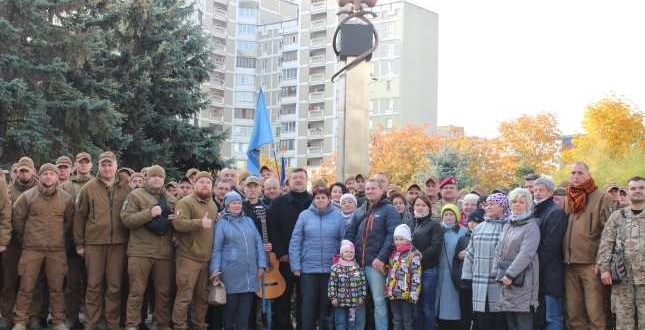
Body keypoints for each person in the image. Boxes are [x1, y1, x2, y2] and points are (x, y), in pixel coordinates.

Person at [10, 164, 74, 330]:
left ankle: (58, 321)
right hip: (32, 249)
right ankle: (20, 321)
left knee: (57, 287)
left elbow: (69, 222)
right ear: (39, 175)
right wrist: (27, 236)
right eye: (45, 173)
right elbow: (18, 218)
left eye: (51, 173)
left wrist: (59, 237)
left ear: (57, 177)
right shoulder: (27, 196)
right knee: (26, 286)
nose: (48, 176)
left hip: (56, 250)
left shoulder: (66, 198)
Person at [73, 151, 132, 330]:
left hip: (119, 244)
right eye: (104, 165)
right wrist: (79, 244)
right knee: (93, 286)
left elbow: (131, 217)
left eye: (110, 164)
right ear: (99, 166)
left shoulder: (127, 189)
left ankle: (112, 323)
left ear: (116, 165)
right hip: (94, 244)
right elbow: (79, 218)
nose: (107, 168)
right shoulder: (88, 188)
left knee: (114, 286)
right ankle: (91, 323)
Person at [120, 165, 176, 330]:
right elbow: (127, 220)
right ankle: (132, 324)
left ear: (163, 180)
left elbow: (178, 226)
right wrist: (149, 213)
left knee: (163, 293)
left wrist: (175, 221)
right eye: (153, 176)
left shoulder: (172, 199)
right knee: (136, 291)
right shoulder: (135, 195)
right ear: (147, 178)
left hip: (164, 253)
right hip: (140, 252)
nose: (156, 179)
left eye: (160, 176)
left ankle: (162, 324)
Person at [562, 162, 613, 330]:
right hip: (570, 264)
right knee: (573, 314)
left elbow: (610, 233)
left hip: (592, 264)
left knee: (595, 313)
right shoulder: (569, 197)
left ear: (589, 175)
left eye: (580, 173)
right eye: (573, 173)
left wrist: (603, 263)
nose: (575, 176)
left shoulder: (602, 197)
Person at [345, 179, 400, 330]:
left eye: (373, 188)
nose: (369, 191)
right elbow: (350, 233)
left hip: (376, 264)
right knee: (359, 301)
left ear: (382, 191)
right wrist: (347, 255)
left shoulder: (389, 210)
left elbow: (392, 236)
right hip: (358, 264)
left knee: (379, 301)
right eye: (367, 189)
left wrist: (381, 258)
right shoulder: (360, 211)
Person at [289, 187, 346, 330]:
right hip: (308, 269)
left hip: (330, 268)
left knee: (325, 305)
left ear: (329, 199)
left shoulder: (338, 216)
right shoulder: (304, 215)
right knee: (308, 305)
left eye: (323, 197)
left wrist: (342, 263)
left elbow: (343, 240)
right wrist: (295, 265)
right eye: (317, 198)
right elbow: (296, 240)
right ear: (313, 199)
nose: (320, 200)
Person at [210, 191, 266, 330]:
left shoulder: (249, 221)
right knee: (229, 313)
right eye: (233, 203)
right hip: (230, 274)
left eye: (239, 202)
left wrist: (261, 265)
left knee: (244, 315)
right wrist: (215, 270)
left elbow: (259, 243)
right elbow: (216, 249)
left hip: (249, 274)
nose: (236, 205)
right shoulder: (222, 223)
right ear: (227, 206)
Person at [171, 171, 218, 330]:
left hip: (206, 258)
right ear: (195, 185)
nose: (205, 185)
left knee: (202, 297)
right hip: (188, 258)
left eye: (208, 183)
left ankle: (198, 325)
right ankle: (179, 326)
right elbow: (178, 224)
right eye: (202, 182)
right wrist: (199, 223)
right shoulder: (185, 202)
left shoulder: (212, 204)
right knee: (184, 296)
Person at [597, 176, 645, 330]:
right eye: (633, 188)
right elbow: (606, 243)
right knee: (623, 321)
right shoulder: (617, 216)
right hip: (622, 277)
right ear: (628, 192)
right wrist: (604, 269)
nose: (637, 191)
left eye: (641, 188)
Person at [269, 168, 312, 330]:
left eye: (302, 177)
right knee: (282, 300)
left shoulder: (314, 202)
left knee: (305, 300)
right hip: (284, 260)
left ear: (306, 180)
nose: (299, 180)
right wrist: (281, 253)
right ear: (288, 181)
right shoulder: (278, 203)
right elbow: (273, 230)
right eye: (295, 178)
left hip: (307, 261)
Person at [491, 188, 540, 330]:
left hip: (522, 280)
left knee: (522, 323)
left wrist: (510, 274)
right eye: (514, 202)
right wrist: (496, 272)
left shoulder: (531, 226)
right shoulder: (508, 224)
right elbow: (498, 250)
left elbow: (526, 254)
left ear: (528, 205)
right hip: (505, 281)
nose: (517, 205)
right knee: (511, 324)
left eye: (521, 202)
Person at [462, 193, 510, 330]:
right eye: (487, 204)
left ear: (502, 206)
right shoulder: (479, 227)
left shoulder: (509, 226)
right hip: (480, 283)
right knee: (482, 320)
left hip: (500, 283)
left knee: (499, 321)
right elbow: (470, 253)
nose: (488, 207)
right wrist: (466, 276)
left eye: (492, 204)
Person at [1, 157, 39, 329]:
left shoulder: (41, 190)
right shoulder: (8, 190)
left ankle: (33, 316)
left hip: (33, 243)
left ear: (33, 171)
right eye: (19, 171)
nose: (22, 173)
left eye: (26, 170)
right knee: (9, 281)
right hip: (13, 243)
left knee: (34, 281)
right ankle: (7, 316)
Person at [60, 152, 94, 329]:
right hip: (71, 240)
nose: (83, 165)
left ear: (91, 165)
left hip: (94, 241)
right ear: (75, 165)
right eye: (80, 162)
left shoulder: (97, 184)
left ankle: (91, 319)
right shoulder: (65, 186)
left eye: (86, 162)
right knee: (72, 283)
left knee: (92, 283)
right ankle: (70, 318)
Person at [532, 177, 567, 330]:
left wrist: (533, 267)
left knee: (551, 317)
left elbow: (550, 246)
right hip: (537, 274)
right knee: (539, 318)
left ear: (551, 193)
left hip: (550, 274)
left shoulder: (556, 212)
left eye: (541, 190)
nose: (537, 194)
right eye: (535, 190)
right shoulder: (535, 211)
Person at [407, 195, 442, 330]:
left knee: (427, 306)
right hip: (412, 271)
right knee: (415, 306)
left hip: (428, 271)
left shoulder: (434, 225)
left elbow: (436, 247)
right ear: (413, 207)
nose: (420, 208)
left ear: (429, 207)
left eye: (423, 205)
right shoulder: (410, 224)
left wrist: (418, 256)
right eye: (417, 205)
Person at [436, 204, 467, 330]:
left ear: (456, 216)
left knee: (453, 303)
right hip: (439, 271)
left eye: (451, 214)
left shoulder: (464, 231)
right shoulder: (437, 230)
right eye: (446, 215)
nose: (448, 217)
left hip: (455, 273)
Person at [385, 224, 422, 330]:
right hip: (393, 293)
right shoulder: (394, 254)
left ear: (408, 240)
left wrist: (414, 294)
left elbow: (416, 276)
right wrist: (388, 289)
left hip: (406, 295)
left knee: (407, 320)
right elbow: (390, 272)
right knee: (396, 320)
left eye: (401, 239)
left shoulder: (413, 255)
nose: (398, 241)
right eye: (396, 239)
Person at [454, 208, 485, 329]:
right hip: (464, 282)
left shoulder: (482, 237)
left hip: (478, 281)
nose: (472, 224)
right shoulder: (463, 238)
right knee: (465, 312)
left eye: (475, 221)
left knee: (477, 314)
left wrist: (468, 254)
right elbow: (456, 260)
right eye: (470, 220)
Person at [328, 240, 367, 330]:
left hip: (354, 302)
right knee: (340, 323)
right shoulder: (335, 268)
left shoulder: (357, 268)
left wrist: (362, 296)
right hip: (339, 302)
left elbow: (362, 283)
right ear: (341, 253)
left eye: (351, 252)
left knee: (352, 324)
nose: (349, 254)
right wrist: (333, 297)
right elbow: (332, 284)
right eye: (346, 252)